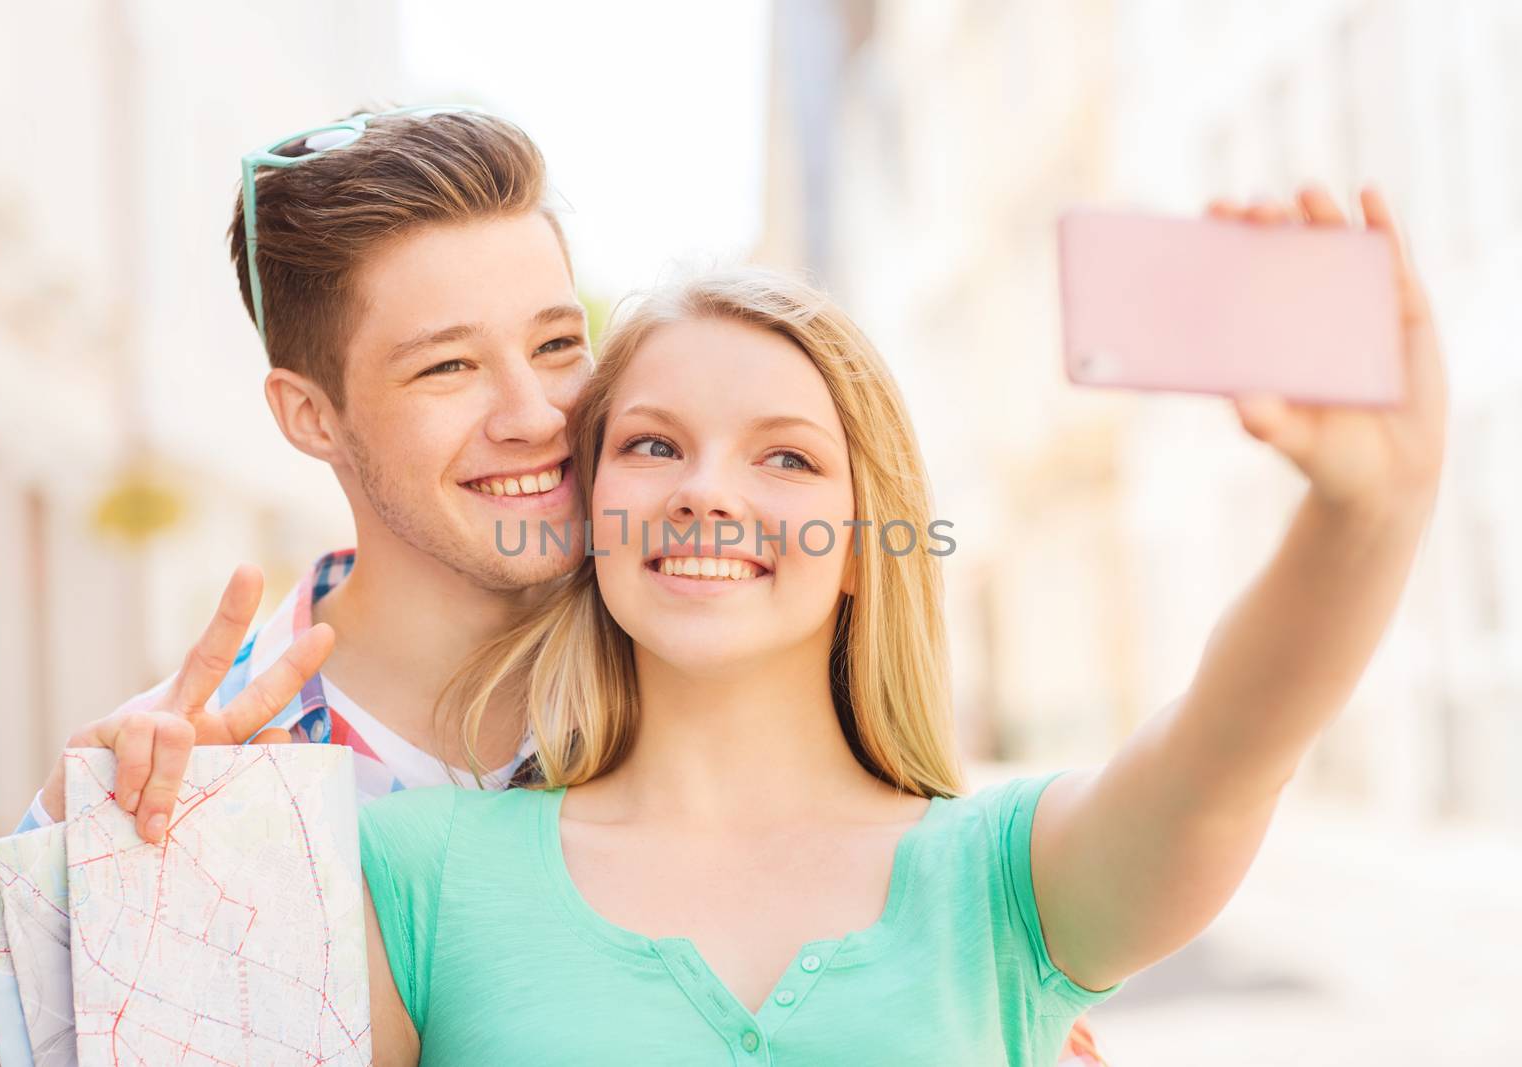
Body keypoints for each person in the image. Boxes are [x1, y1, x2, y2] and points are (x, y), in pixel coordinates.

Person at [0, 103, 1102, 1067]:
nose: (535, 416)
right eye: (448, 366)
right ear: (309, 414)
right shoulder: (201, 771)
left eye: (554, 343)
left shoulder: (711, 633)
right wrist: (95, 888)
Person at [354, 185, 1445, 1063]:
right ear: (589, 509)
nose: (705, 492)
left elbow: (1232, 742)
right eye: (650, 445)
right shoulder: (412, 873)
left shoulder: (1008, 883)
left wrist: (1367, 510)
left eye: (785, 455)